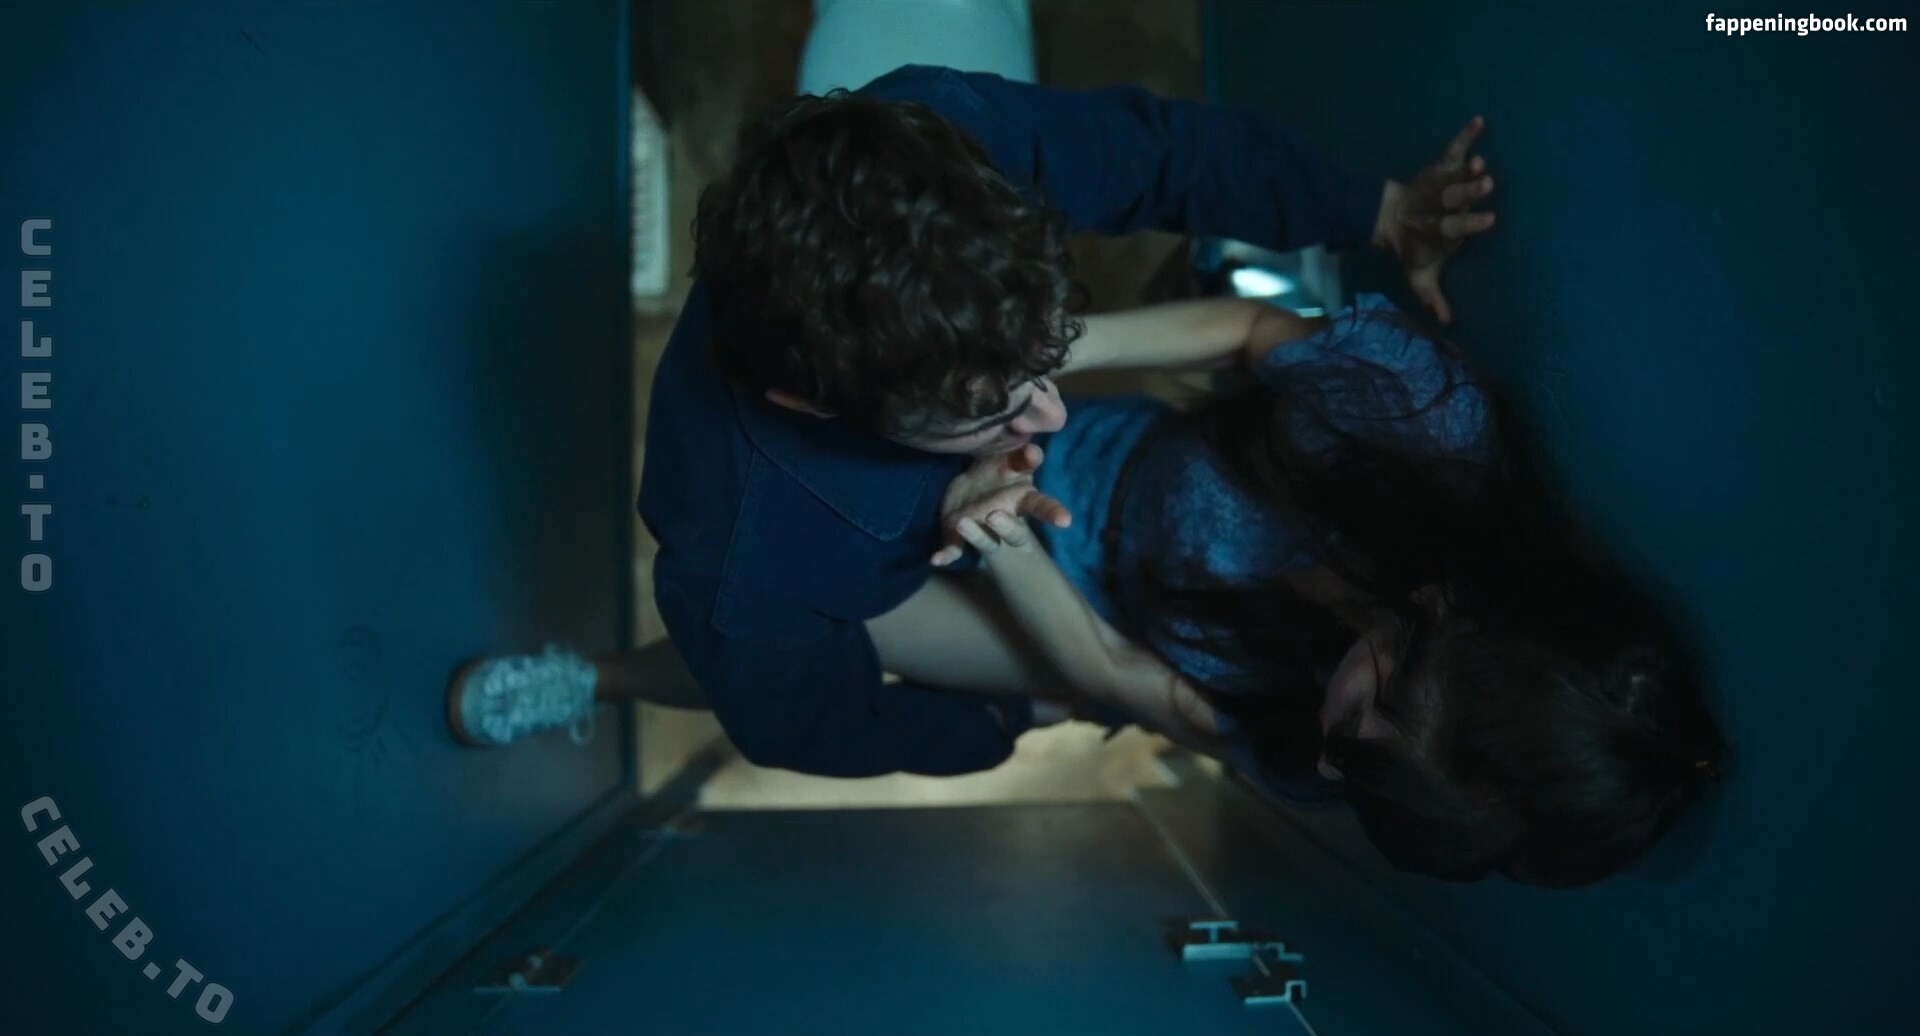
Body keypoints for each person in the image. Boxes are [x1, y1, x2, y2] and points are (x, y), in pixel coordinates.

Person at [446, 63, 1497, 779]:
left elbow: (1162, 155)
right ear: (819, 407)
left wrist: (1369, 208)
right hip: (838, 567)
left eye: (1051, 349)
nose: (1054, 410)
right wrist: (996, 723)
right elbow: (808, 721)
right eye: (989, 407)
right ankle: (597, 677)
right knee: (747, 653)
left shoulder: (938, 152)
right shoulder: (750, 546)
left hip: (1056, 553)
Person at [874, 291, 1728, 887]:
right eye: (1360, 724)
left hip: (1083, 626)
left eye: (1352, 770)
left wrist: (1000, 532)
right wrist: (1038, 357)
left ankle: (1019, 698)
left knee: (844, 611)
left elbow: (1116, 670)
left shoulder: (1356, 772)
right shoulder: (1423, 422)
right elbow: (1249, 328)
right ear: (1441, 619)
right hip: (1097, 463)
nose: (1324, 763)